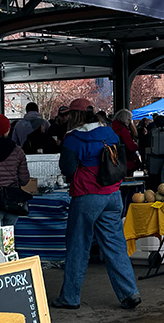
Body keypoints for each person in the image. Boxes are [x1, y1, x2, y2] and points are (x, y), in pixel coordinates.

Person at [55, 98, 140, 310]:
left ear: (75, 116)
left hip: (87, 195)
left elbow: (67, 168)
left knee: (78, 245)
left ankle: (70, 297)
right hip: (112, 194)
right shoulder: (109, 132)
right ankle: (129, 292)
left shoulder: (73, 138)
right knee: (115, 244)